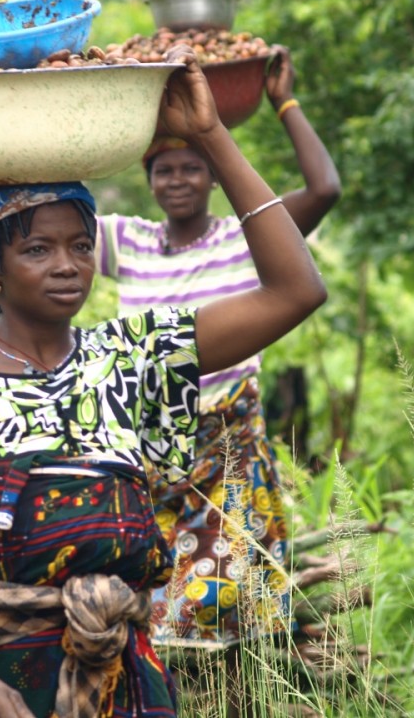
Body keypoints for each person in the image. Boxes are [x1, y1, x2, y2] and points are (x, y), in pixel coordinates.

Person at [0, 47, 327, 718]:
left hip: (123, 681)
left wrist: (211, 136)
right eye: (37, 249)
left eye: (81, 246)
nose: (67, 266)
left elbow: (295, 291)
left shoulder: (134, 358)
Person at [95, 44, 341, 700]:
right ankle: (169, 700)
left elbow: (324, 190)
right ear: (149, 180)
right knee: (148, 599)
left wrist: (283, 101)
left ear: (211, 176)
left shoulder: (241, 238)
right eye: (164, 170)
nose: (177, 181)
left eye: (191, 168)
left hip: (225, 440)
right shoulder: (130, 241)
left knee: (223, 602)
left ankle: (237, 699)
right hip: (148, 447)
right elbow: (44, 232)